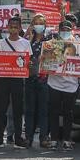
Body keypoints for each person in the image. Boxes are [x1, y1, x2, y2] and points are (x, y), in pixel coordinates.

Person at [0, 16, 32, 148]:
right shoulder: (2, 43)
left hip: (18, 80)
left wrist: (28, 64)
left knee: (18, 110)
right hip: (3, 80)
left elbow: (28, 61)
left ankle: (18, 138)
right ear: (7, 28)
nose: (13, 28)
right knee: (1, 109)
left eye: (16, 26)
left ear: (20, 28)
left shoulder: (25, 43)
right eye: (11, 26)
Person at [46, 20, 79, 151]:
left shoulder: (79, 45)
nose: (65, 32)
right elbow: (45, 62)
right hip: (54, 83)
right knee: (53, 112)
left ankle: (66, 139)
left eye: (67, 29)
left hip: (71, 85)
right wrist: (44, 58)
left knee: (68, 113)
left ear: (72, 30)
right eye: (63, 30)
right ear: (59, 31)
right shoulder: (51, 44)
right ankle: (54, 139)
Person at [23, 14, 51, 147]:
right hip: (30, 78)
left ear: (45, 25)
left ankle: (43, 138)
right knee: (29, 110)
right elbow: (20, 53)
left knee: (43, 110)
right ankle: (28, 137)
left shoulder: (50, 40)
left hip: (44, 79)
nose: (39, 25)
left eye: (41, 22)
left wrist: (46, 57)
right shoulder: (28, 40)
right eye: (36, 22)